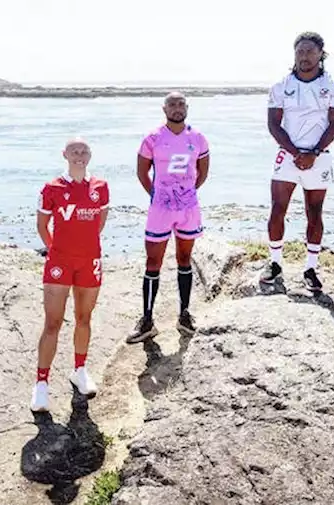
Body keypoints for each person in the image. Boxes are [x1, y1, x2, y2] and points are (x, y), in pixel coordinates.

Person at [260, 31, 334, 292]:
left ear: (321, 54)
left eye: (310, 51)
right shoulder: (280, 86)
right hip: (287, 155)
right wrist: (296, 153)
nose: (304, 56)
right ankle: (275, 262)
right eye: (300, 51)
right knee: (277, 209)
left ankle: (310, 268)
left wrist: (314, 152)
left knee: (315, 212)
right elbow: (273, 124)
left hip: (319, 157)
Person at [31, 138, 109, 412]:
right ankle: (41, 384)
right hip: (59, 263)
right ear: (64, 154)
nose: (79, 155)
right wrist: (58, 251)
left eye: (84, 151)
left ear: (90, 155)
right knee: (52, 322)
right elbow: (42, 225)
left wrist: (83, 246)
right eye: (74, 151)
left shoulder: (101, 186)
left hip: (89, 261)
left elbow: (100, 221)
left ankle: (79, 369)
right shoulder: (51, 188)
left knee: (83, 318)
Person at [127, 92, 211, 344]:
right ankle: (147, 320)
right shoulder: (153, 138)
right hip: (160, 210)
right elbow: (142, 172)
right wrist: (157, 196)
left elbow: (203, 172)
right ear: (164, 109)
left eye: (181, 104)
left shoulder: (197, 138)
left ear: (187, 107)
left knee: (185, 259)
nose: (177, 108)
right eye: (172, 104)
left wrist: (186, 194)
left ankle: (184, 315)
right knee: (153, 262)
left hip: (187, 208)